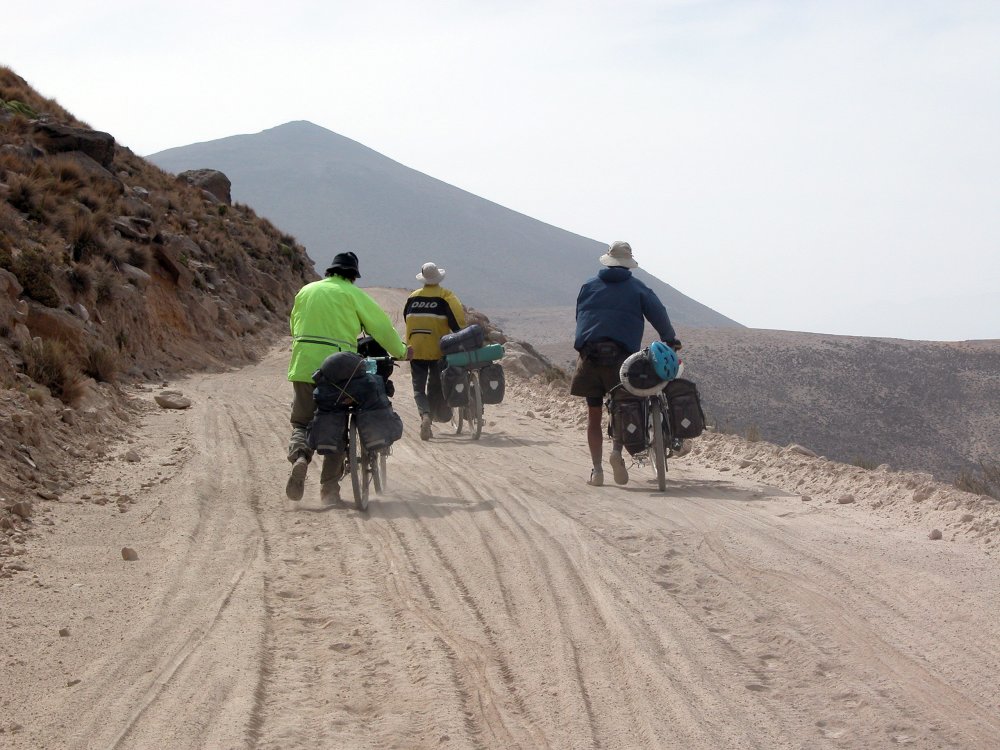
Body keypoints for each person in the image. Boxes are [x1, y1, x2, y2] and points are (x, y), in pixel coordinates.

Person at [285, 252, 412, 504]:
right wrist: (401, 351)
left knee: (302, 422)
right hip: (338, 371)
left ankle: (300, 456)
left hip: (303, 366)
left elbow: (293, 327)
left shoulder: (306, 291)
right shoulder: (353, 294)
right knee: (337, 419)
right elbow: (381, 328)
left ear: (330, 271)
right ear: (353, 276)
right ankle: (329, 490)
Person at [571, 241, 680, 486]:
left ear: (608, 261)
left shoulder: (588, 285)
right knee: (621, 408)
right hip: (620, 361)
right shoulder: (638, 288)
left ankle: (597, 471)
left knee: (594, 415)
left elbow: (580, 317)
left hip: (589, 358)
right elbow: (658, 313)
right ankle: (616, 452)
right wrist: (670, 339)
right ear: (629, 264)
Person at [403, 262, 465, 440]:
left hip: (416, 349)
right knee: (435, 384)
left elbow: (407, 319)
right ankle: (434, 415)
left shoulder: (412, 297)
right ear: (438, 278)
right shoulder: (446, 296)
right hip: (439, 349)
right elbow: (458, 325)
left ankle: (425, 415)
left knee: (418, 389)